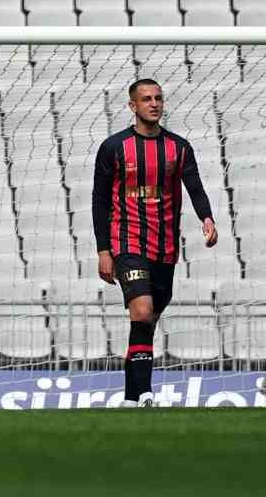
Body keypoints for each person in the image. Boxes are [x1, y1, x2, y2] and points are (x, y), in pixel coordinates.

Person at [93, 78, 217, 407]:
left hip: (164, 248)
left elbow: (194, 186)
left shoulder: (179, 147)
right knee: (142, 310)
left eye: (158, 98)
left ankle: (132, 399)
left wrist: (207, 217)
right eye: (146, 99)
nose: (154, 103)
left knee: (146, 321)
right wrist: (103, 249)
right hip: (127, 241)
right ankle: (147, 393)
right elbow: (99, 201)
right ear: (133, 106)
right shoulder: (114, 147)